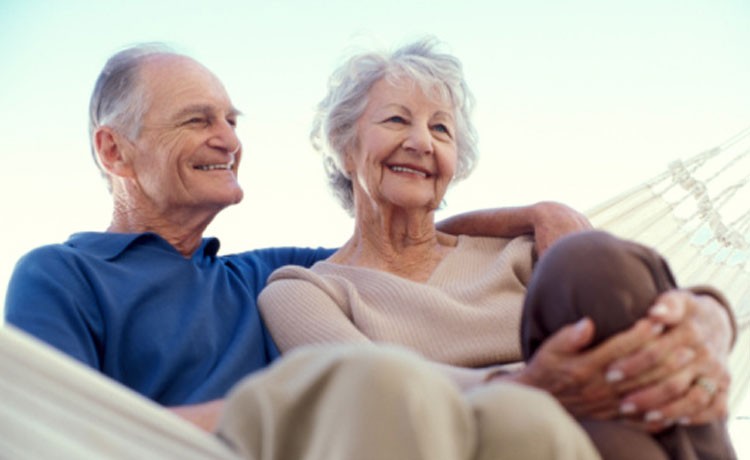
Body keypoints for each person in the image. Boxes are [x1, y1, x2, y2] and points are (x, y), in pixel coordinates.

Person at [3, 42, 597, 459]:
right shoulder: (62, 275)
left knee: (521, 425)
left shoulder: (263, 275)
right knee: (369, 385)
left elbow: (403, 238)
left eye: (232, 119)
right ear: (114, 152)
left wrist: (541, 215)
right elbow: (48, 432)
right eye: (196, 120)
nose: (229, 139)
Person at [257, 38, 737, 459]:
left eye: (441, 129)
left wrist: (711, 314)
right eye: (397, 119)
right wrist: (528, 387)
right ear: (344, 148)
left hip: (599, 428)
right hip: (464, 440)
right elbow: (363, 387)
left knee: (586, 259)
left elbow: (632, 298)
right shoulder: (305, 290)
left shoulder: (518, 252)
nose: (422, 142)